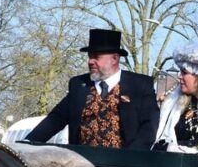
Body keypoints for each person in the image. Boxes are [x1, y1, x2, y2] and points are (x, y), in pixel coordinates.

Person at [27, 28, 159, 149]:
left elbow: (150, 125)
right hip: (83, 161)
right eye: (90, 56)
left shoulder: (139, 85)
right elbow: (56, 119)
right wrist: (26, 144)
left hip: (122, 162)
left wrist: (131, 158)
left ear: (114, 58)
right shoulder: (78, 85)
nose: (90, 61)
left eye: (96, 57)